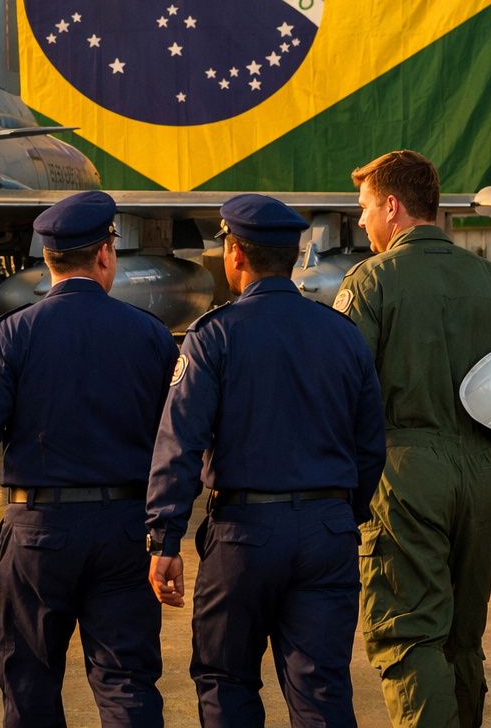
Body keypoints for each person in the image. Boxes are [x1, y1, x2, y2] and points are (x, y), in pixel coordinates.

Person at [0, 190, 179, 728]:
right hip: (123, 530)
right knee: (127, 682)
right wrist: (169, 535)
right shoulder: (151, 336)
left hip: (39, 532)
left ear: (48, 261)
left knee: (30, 683)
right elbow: (176, 440)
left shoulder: (10, 335)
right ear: (106, 255)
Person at [334, 150, 491, 728]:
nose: (362, 222)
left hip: (403, 474)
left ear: (392, 207)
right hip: (478, 473)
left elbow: (336, 388)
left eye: (365, 209)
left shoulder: (370, 282)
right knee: (463, 639)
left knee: (409, 636)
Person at [146, 193, 386, 727]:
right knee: (321, 690)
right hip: (328, 531)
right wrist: (343, 516)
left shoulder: (215, 335)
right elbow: (371, 443)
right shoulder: (342, 335)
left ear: (235, 254)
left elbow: (179, 442)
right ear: (294, 256)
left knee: (226, 681)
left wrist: (165, 538)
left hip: (243, 535)